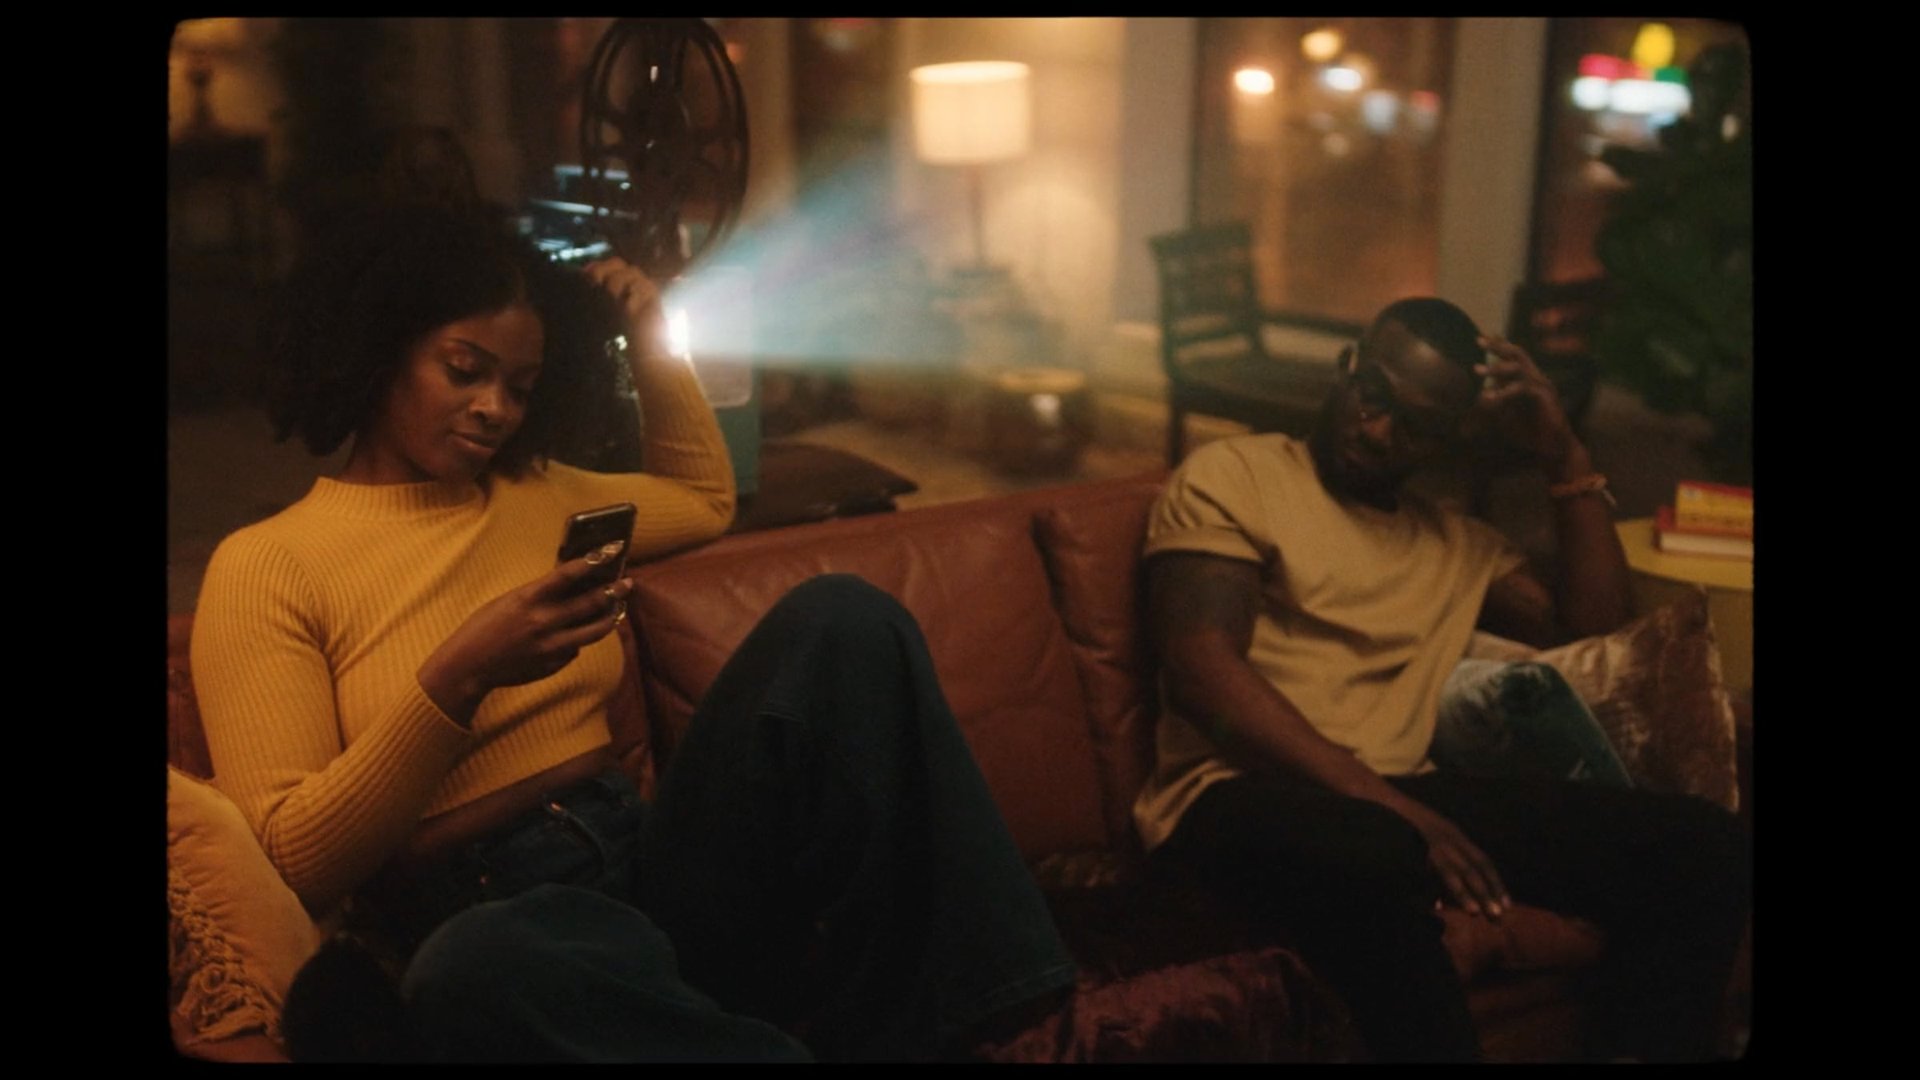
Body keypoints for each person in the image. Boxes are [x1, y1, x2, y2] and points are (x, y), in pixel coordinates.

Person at [191, 202, 1074, 1062]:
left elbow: (704, 499)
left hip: (650, 862)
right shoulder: (269, 565)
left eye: (520, 387)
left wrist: (654, 338)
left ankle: (1007, 1014)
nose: (495, 409)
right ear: (382, 349)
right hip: (486, 915)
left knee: (841, 619)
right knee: (472, 969)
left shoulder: (537, 493)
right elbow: (296, 859)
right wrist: (461, 676)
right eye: (465, 370)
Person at [1135, 297, 1749, 1062]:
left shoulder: (1457, 544)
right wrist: (1392, 807)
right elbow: (1202, 670)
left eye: (1416, 425)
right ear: (1347, 368)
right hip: (1232, 793)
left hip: (1392, 800)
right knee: (1380, 848)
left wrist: (1564, 456)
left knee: (1703, 845)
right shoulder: (1237, 475)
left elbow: (1598, 632)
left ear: (1450, 438)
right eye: (1373, 395)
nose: (1377, 430)